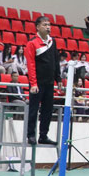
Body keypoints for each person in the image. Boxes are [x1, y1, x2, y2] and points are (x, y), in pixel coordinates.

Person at [24, 16, 58, 146]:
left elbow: (56, 61)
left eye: (49, 25)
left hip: (49, 83)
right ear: (38, 27)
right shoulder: (32, 43)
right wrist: (33, 83)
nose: (48, 27)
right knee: (34, 109)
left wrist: (58, 78)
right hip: (37, 84)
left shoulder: (52, 41)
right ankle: (30, 135)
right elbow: (31, 64)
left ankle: (43, 135)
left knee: (47, 110)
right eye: (45, 25)